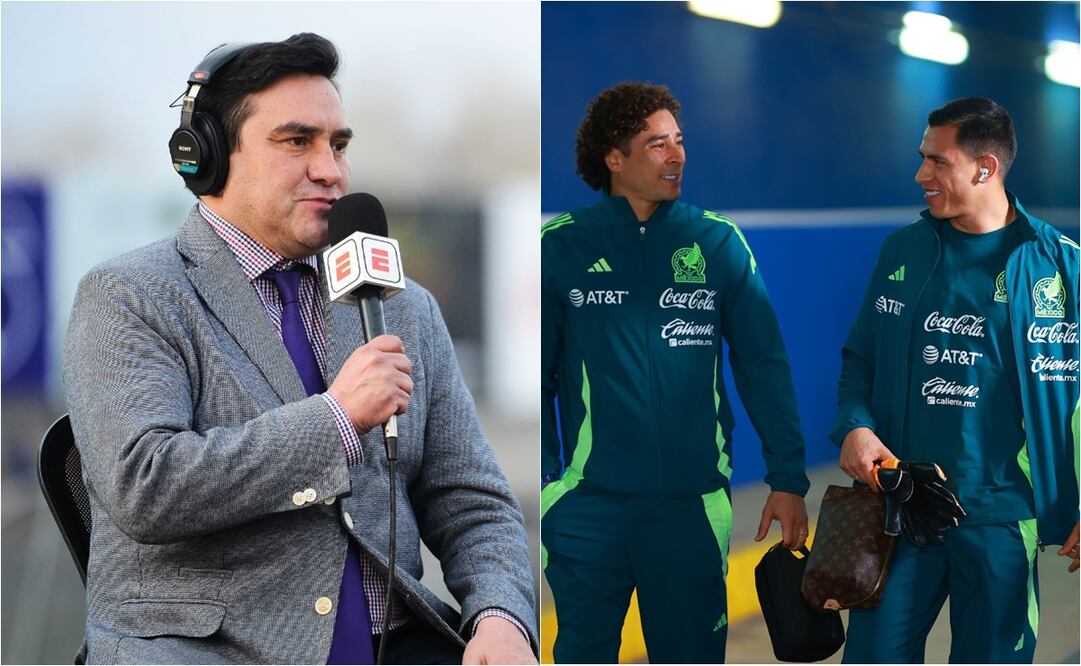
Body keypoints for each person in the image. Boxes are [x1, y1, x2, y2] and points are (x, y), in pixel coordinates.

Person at [63, 33, 536, 665]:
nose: (331, 170)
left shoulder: (404, 307)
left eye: (338, 145)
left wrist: (500, 618)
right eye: (297, 141)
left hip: (392, 645)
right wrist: (337, 421)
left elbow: (470, 498)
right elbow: (147, 484)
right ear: (205, 156)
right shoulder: (128, 295)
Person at [540, 82, 810, 663]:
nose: (678, 155)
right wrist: (550, 491)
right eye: (657, 144)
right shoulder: (559, 247)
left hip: (691, 509)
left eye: (680, 142)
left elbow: (763, 365)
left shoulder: (717, 242)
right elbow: (538, 381)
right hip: (589, 511)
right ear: (616, 158)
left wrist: (788, 478)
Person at [833, 97, 1080, 663]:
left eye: (937, 161)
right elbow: (860, 358)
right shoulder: (903, 250)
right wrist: (855, 425)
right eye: (923, 158)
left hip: (1000, 516)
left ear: (984, 167)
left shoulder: (1061, 268)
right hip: (899, 506)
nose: (921, 174)